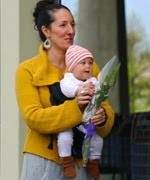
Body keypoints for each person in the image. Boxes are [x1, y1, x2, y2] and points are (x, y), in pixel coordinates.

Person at [15, 1, 114, 180]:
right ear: (46, 31)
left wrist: (102, 117)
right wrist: (76, 108)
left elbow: (106, 111)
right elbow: (33, 117)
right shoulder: (27, 70)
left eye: (73, 24)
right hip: (42, 161)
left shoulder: (89, 66)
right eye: (63, 25)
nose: (71, 31)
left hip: (79, 162)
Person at [58, 45, 103, 179]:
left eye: (90, 63)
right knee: (64, 138)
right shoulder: (68, 79)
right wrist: (80, 89)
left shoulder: (92, 80)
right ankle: (66, 161)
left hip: (86, 120)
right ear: (72, 66)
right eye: (82, 63)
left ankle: (94, 162)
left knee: (97, 138)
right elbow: (66, 89)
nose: (87, 66)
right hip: (69, 120)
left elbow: (99, 92)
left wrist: (96, 90)